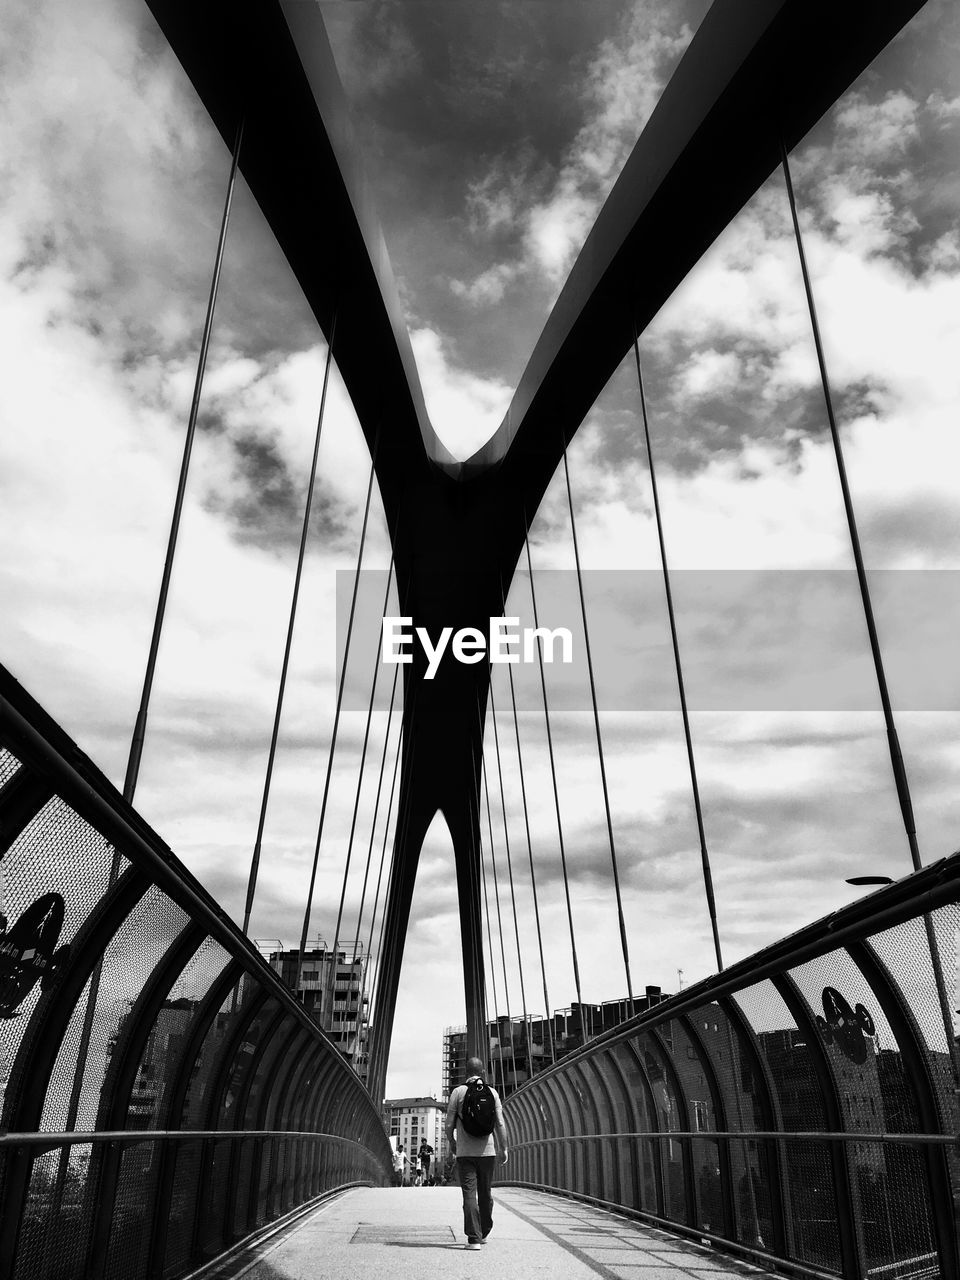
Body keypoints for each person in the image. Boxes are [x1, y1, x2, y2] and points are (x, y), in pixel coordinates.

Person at [445, 1056, 508, 1249]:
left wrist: (453, 1142)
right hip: (487, 1153)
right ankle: (484, 1230)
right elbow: (499, 1123)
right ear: (482, 1073)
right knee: (485, 1193)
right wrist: (504, 1147)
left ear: (466, 1073)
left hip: (465, 1153)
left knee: (469, 1195)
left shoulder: (458, 1092)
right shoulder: (492, 1092)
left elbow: (448, 1124)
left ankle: (474, 1238)